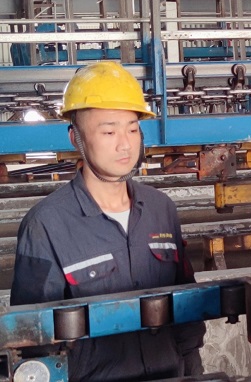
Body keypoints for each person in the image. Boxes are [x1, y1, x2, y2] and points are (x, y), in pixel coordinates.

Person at [11, 61, 204, 381]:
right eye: (109, 131)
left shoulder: (161, 210)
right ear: (76, 138)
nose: (125, 144)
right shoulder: (45, 226)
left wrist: (194, 374)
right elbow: (34, 341)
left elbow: (187, 313)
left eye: (132, 129)